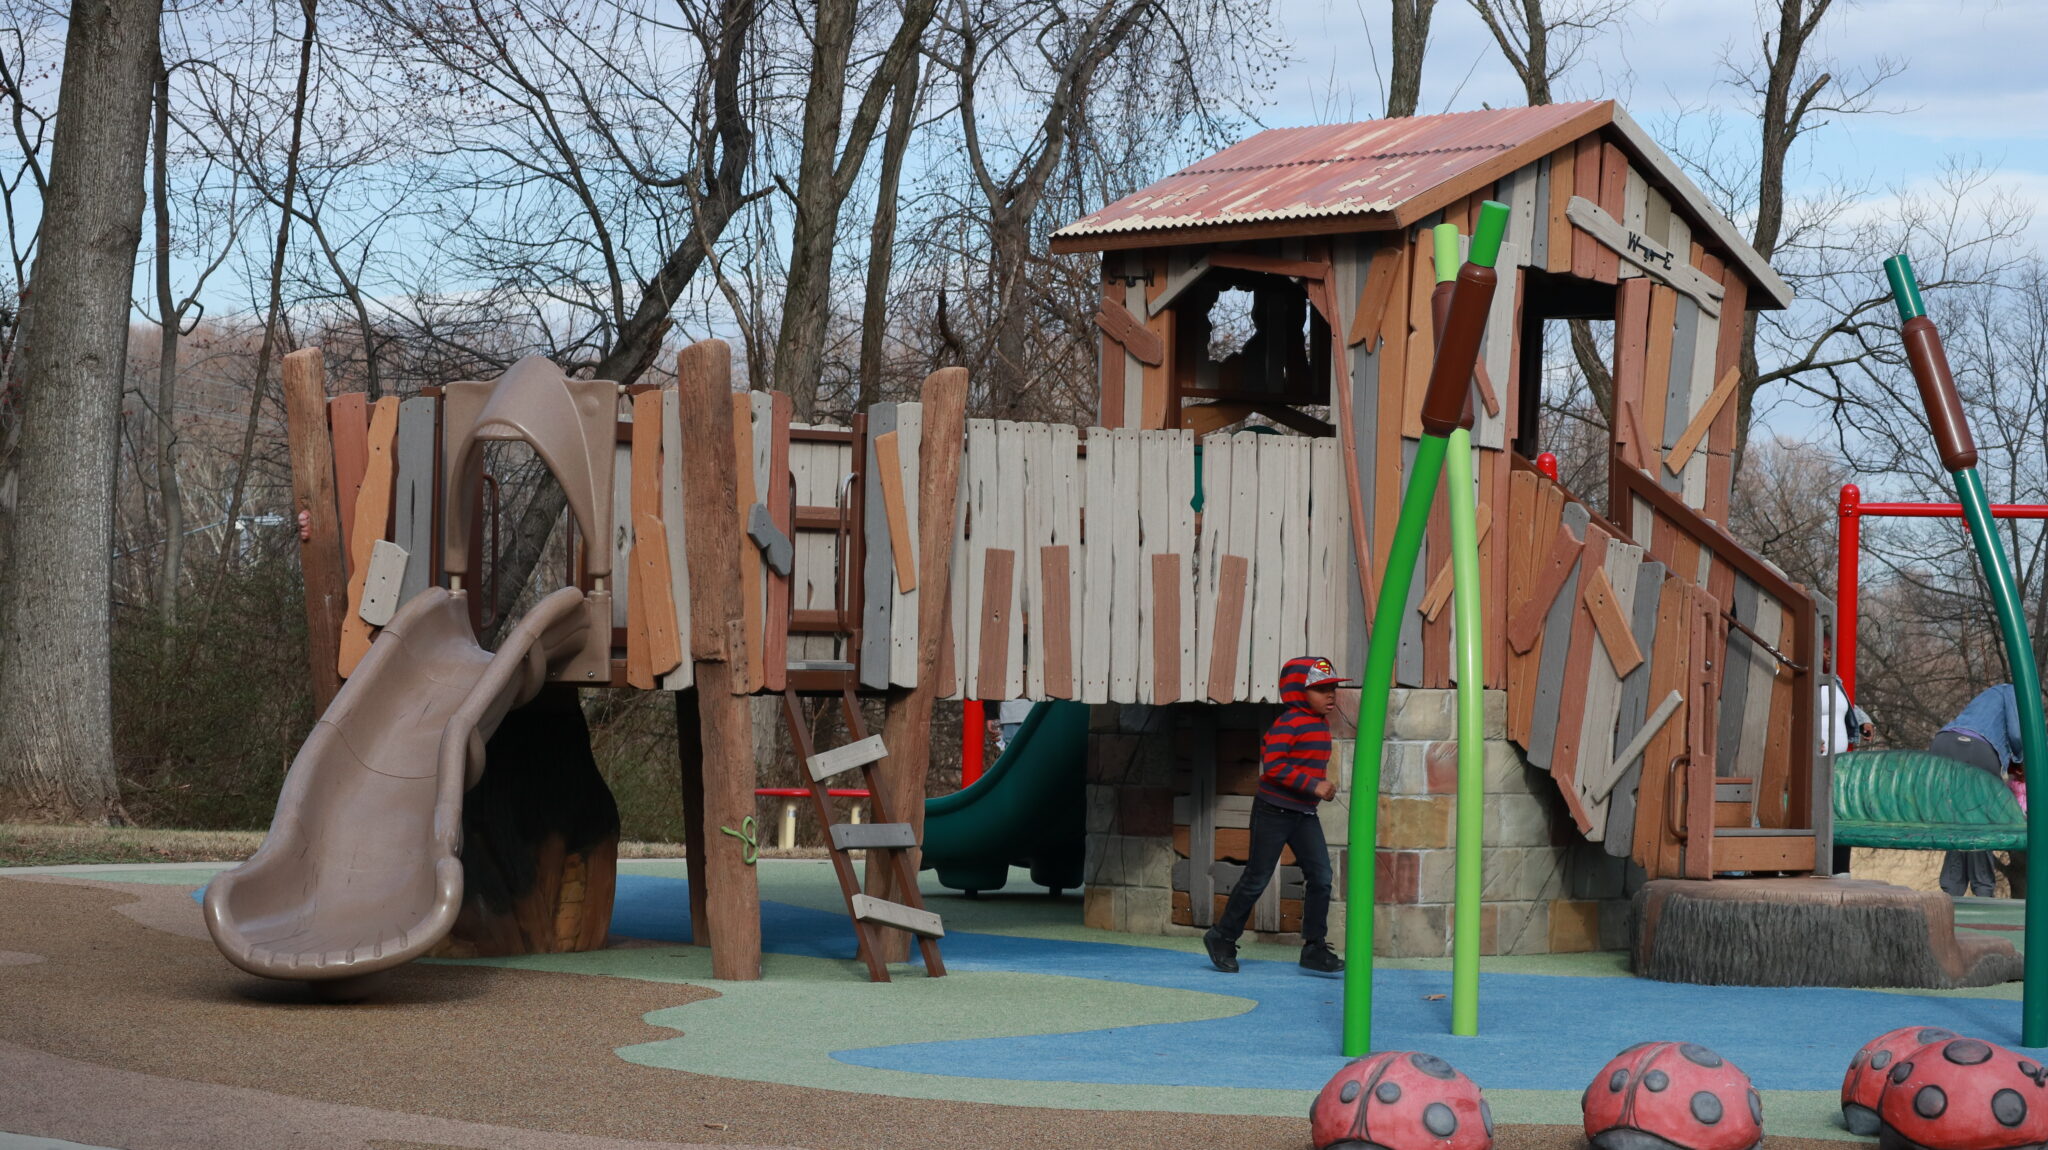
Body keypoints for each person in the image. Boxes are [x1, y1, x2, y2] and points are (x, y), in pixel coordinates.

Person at [1203, 655, 1346, 976]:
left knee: (1321, 877)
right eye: (1321, 689)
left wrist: (1317, 788)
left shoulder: (1320, 724)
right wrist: (1314, 784)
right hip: (1274, 811)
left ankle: (1314, 946)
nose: (1331, 694)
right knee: (1257, 878)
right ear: (1298, 691)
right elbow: (1274, 766)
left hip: (1304, 813)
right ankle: (1221, 936)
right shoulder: (1289, 723)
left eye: (1333, 687)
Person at [1931, 684, 2028, 898]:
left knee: (1961, 820)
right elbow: (2017, 734)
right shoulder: (2012, 690)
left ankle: (1951, 888)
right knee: (1980, 820)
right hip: (1976, 749)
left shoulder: (1988, 698)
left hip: (1943, 743)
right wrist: (2020, 759)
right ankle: (1983, 889)